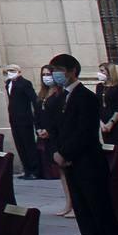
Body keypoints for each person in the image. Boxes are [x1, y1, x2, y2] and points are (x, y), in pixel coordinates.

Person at [50, 53, 118, 235]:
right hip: (73, 165)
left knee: (100, 213)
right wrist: (58, 151)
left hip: (89, 164)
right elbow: (61, 129)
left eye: (59, 70)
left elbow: (85, 133)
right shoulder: (63, 97)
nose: (55, 74)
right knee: (83, 212)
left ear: (72, 71)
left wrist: (65, 152)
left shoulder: (85, 97)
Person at [36, 64, 74, 216]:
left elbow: (61, 118)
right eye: (43, 74)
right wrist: (39, 129)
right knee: (61, 172)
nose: (46, 77)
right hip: (47, 138)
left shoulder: (61, 94)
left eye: (49, 74)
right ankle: (68, 203)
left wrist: (50, 131)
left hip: (58, 137)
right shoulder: (42, 94)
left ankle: (75, 204)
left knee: (68, 171)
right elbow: (37, 115)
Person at [3, 64, 41, 179]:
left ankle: (35, 170)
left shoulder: (25, 83)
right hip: (14, 118)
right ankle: (27, 170)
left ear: (19, 72)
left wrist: (37, 116)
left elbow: (34, 99)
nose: (10, 72)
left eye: (12, 70)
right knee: (20, 145)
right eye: (8, 70)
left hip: (25, 118)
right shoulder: (8, 84)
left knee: (28, 145)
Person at [96, 62, 118, 166]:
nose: (100, 73)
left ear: (109, 72)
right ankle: (116, 179)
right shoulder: (99, 87)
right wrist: (102, 123)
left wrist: (111, 123)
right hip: (105, 126)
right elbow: (98, 106)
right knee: (111, 155)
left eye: (102, 71)